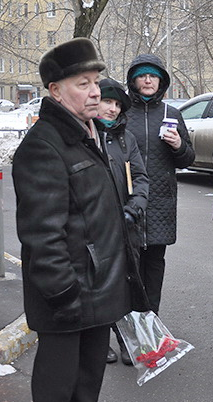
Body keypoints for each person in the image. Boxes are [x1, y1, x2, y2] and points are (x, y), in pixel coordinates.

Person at [12, 38, 143, 402]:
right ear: (55, 90)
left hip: (98, 277)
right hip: (68, 285)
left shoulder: (90, 134)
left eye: (96, 82)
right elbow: (41, 233)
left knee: (89, 366)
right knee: (58, 372)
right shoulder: (43, 145)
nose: (94, 92)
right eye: (82, 83)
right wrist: (61, 292)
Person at [125, 54, 195, 315]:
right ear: (133, 80)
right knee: (128, 266)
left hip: (160, 202)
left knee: (154, 264)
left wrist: (178, 145)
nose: (147, 80)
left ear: (161, 81)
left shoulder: (172, 114)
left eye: (152, 75)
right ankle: (129, 326)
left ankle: (152, 321)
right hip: (128, 199)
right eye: (142, 75)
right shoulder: (122, 112)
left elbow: (187, 158)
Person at [95, 78, 149, 366]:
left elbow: (140, 177)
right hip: (96, 228)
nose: (113, 109)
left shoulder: (126, 139)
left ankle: (127, 339)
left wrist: (135, 208)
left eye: (117, 104)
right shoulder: (86, 136)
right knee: (99, 283)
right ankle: (99, 341)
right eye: (108, 101)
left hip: (127, 225)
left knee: (127, 284)